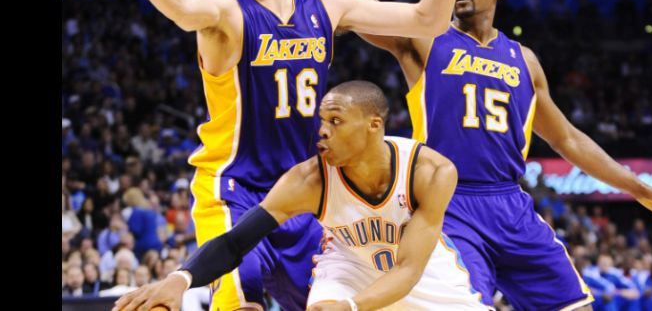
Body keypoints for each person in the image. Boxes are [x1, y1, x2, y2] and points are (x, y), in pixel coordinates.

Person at [106, 0, 470, 311]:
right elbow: (185, 7)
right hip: (235, 186)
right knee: (244, 302)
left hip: (308, 188)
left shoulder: (327, 3)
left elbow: (427, 20)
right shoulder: (227, 10)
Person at [322, 0, 652, 311]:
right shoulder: (424, 38)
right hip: (448, 205)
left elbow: (567, 139)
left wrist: (638, 188)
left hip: (511, 206)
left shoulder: (525, 61)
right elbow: (335, 0)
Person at [113, 82, 491, 311]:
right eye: (322, 121)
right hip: (348, 266)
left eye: (336, 122)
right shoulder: (309, 180)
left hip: (425, 276)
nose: (322, 132)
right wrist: (179, 279)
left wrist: (354, 307)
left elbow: (408, 271)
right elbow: (235, 242)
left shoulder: (431, 171)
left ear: (374, 126)